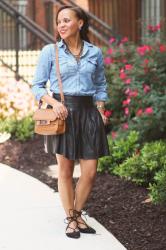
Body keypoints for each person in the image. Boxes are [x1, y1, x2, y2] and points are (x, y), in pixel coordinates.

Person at [31, 5, 110, 239]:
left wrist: (101, 109)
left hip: (88, 114)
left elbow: (100, 85)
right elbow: (37, 86)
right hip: (62, 113)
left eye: (66, 20)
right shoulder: (50, 51)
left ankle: (76, 213)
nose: (61, 25)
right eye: (59, 22)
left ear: (80, 23)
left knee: (90, 172)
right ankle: (72, 219)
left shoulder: (94, 53)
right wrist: (54, 103)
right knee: (65, 171)